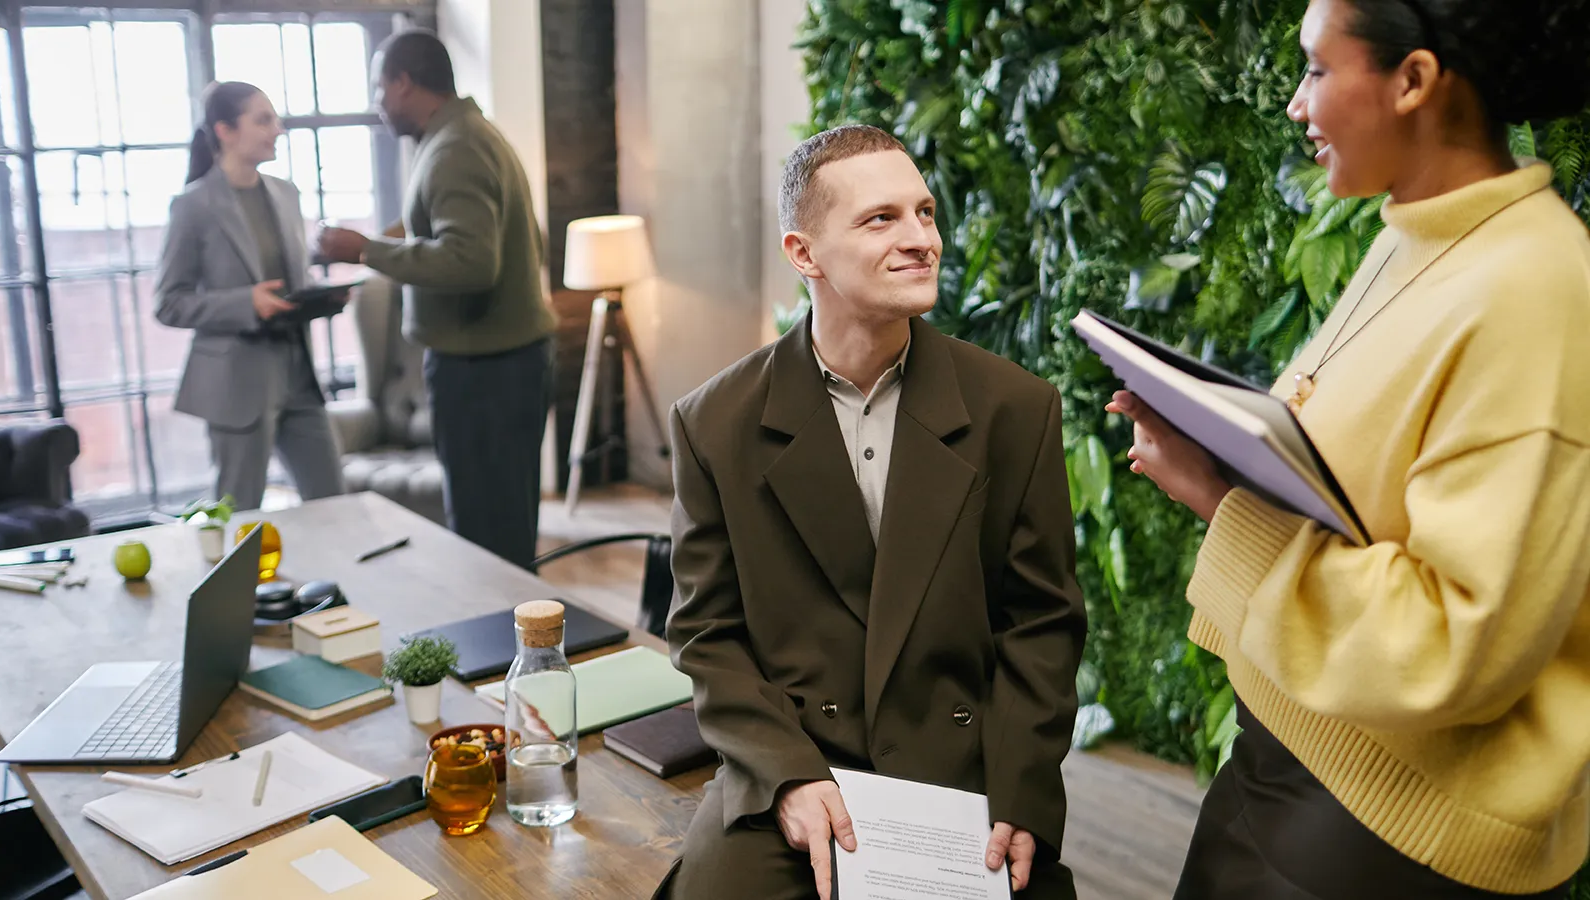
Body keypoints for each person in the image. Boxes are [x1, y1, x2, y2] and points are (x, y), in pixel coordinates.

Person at [1109, 1, 1590, 897]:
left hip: (1382, 842)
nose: (1296, 105)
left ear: (1412, 80)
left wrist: (1223, 501)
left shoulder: (1534, 290)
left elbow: (1455, 641)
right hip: (1293, 777)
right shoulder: (1419, 235)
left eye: (1317, 71)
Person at [657, 124, 1086, 900]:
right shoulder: (712, 423)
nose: (921, 238)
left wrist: (1021, 792)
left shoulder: (1016, 409)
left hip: (960, 776)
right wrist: (786, 776)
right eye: (881, 218)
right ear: (804, 253)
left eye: (925, 213)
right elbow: (706, 634)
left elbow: (1042, 625)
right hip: (794, 760)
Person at [315, 29, 557, 571]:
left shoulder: (456, 148)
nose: (378, 104)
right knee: (503, 529)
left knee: (487, 538)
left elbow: (472, 262)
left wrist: (365, 251)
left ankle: (507, 648)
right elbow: (516, 238)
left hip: (485, 374)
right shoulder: (464, 136)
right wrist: (389, 242)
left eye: (381, 89)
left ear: (404, 83)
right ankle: (517, 642)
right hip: (501, 364)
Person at [156, 81, 345, 512]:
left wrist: (322, 298)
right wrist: (246, 303)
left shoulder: (286, 194)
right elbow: (169, 302)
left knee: (335, 505)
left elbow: (287, 285)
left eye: (275, 119)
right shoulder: (193, 206)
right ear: (224, 130)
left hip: (298, 377)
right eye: (263, 120)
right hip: (236, 386)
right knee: (239, 513)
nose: (276, 129)